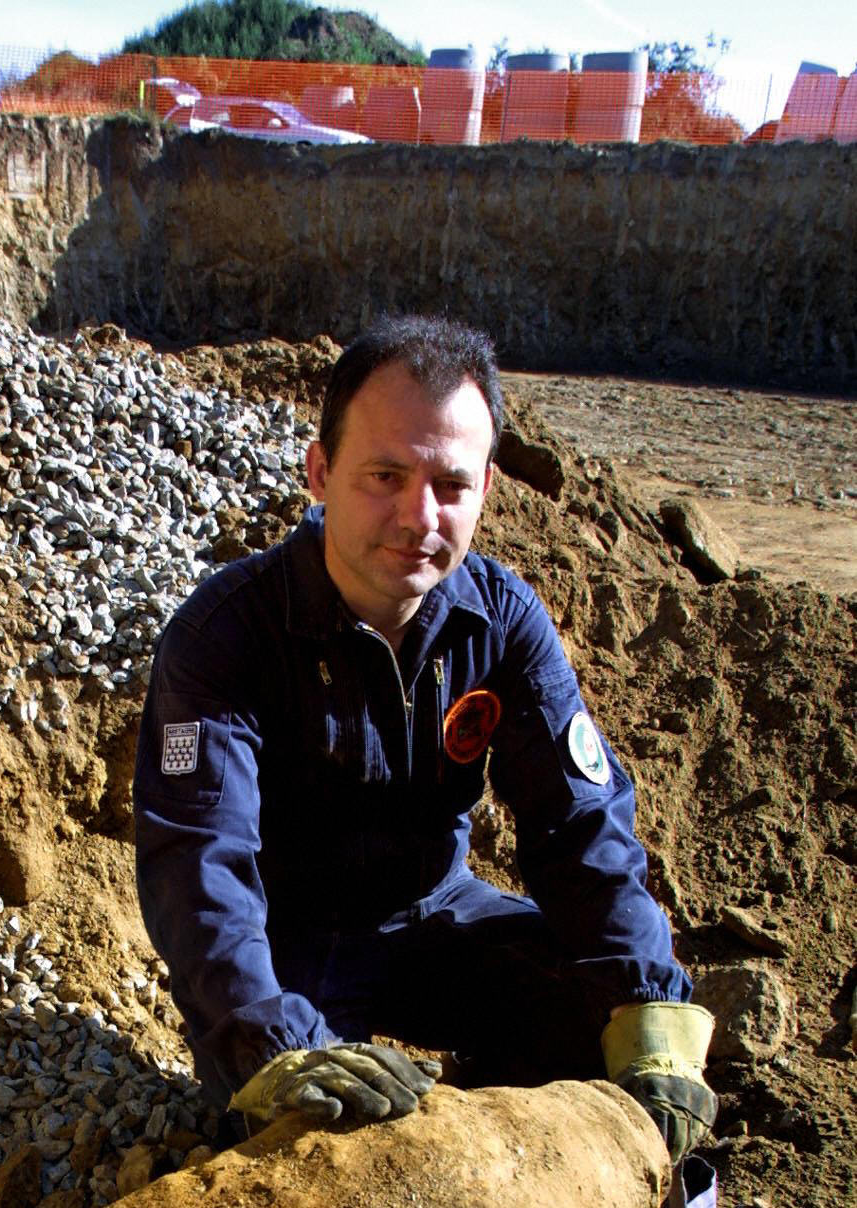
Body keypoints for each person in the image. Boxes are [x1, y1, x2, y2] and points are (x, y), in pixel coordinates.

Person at [132, 314, 715, 1161]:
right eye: (383, 475)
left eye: (450, 483)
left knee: (607, 1034)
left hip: (435, 913)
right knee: (312, 1137)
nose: (418, 515)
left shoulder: (502, 623)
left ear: (487, 488)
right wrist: (271, 1041)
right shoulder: (224, 635)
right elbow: (197, 863)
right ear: (320, 471)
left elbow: (580, 823)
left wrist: (644, 1005)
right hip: (286, 946)